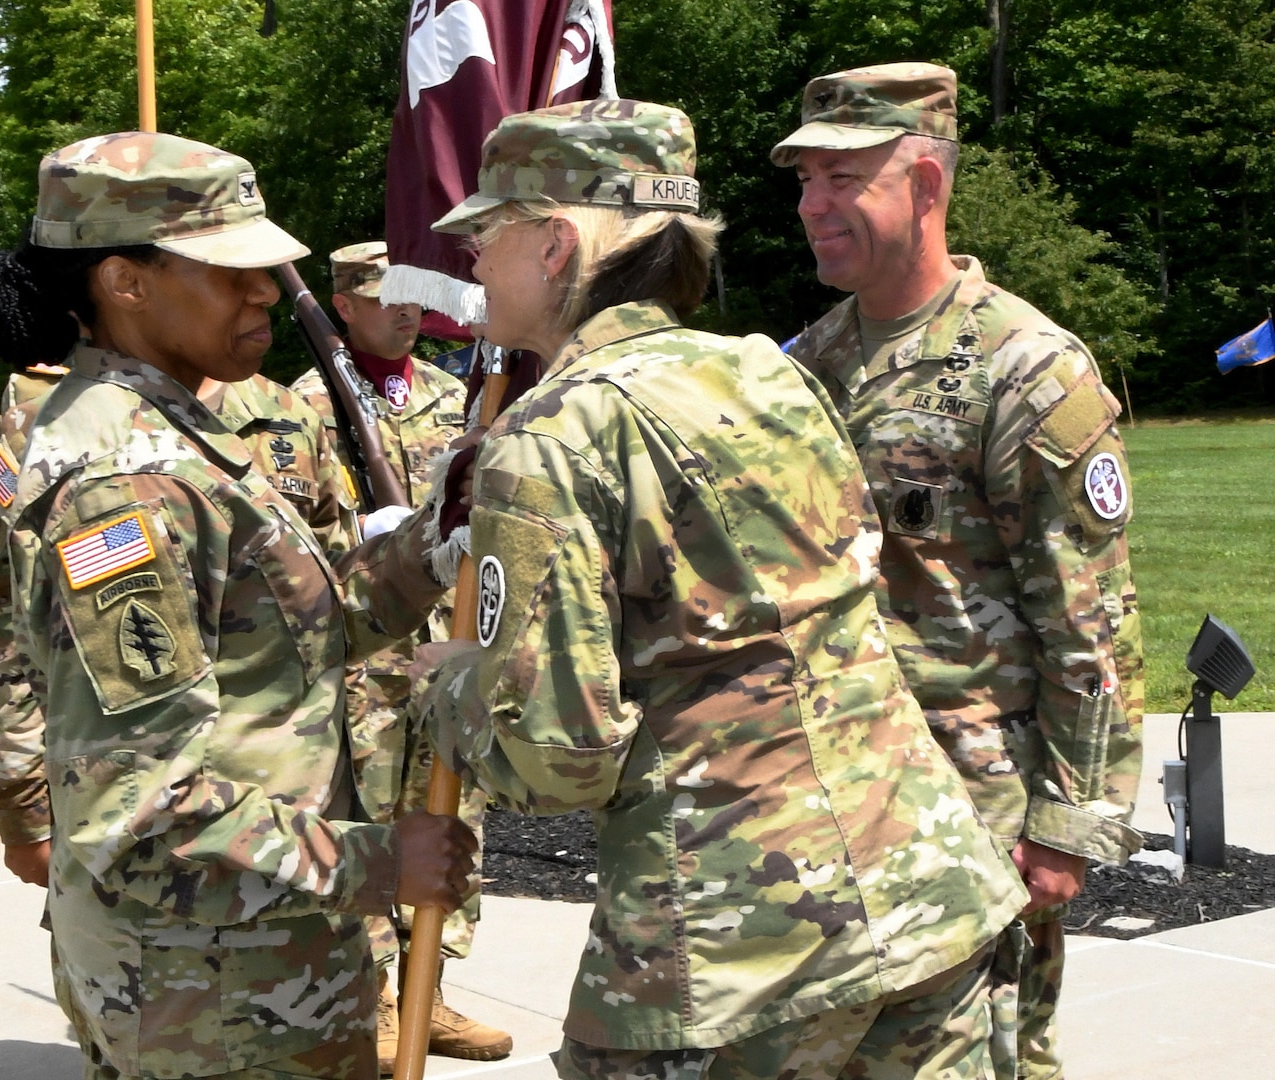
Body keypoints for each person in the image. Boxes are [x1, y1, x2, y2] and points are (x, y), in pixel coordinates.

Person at [410, 97, 1029, 1079]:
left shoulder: (549, 437)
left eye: (488, 233)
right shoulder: (767, 375)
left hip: (732, 950)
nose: (472, 265)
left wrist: (447, 683)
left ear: (557, 245)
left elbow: (555, 761)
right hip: (925, 891)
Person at [0, 130, 476, 1080]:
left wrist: (431, 537)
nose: (265, 294)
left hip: (255, 960)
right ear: (125, 283)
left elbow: (302, 630)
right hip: (211, 996)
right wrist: (377, 863)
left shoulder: (178, 433)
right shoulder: (125, 481)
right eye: (231, 270)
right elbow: (141, 802)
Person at [773, 62, 1145, 1079]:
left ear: (925, 185)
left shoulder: (1023, 367)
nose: (810, 205)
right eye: (802, 180)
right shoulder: (807, 366)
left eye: (840, 177)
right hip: (837, 804)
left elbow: (1090, 620)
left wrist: (1067, 827)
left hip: (976, 817)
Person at [293, 242, 509, 1070]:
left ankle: (433, 987)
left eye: (414, 297)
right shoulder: (303, 406)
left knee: (452, 815)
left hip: (445, 650)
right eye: (383, 297)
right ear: (343, 306)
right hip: (367, 662)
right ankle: (377, 996)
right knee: (373, 823)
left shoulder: (455, 396)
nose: (404, 310)